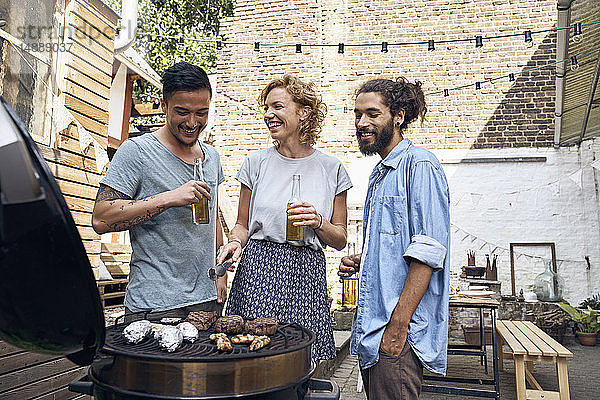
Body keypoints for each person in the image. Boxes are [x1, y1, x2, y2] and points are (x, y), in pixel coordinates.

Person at [217, 74, 352, 360]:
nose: (268, 115)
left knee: (301, 360)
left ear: (304, 113)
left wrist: (318, 222)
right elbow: (242, 224)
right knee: (249, 356)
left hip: (306, 273)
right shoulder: (256, 163)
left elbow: (340, 239)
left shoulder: (332, 169)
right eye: (266, 108)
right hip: (258, 269)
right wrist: (234, 242)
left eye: (277, 107)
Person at [338, 78, 450, 400]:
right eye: (358, 114)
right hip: (374, 329)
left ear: (398, 116)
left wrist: (398, 326)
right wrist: (368, 261)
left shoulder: (420, 165)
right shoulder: (380, 173)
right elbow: (400, 245)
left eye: (372, 114)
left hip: (397, 331)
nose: (362, 123)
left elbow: (429, 251)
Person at [91, 62, 227, 321]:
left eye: (201, 113)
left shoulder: (213, 157)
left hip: (206, 301)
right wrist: (169, 198)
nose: (192, 122)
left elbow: (212, 215)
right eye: (182, 112)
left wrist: (221, 272)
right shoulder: (137, 151)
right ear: (163, 106)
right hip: (154, 305)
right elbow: (101, 218)